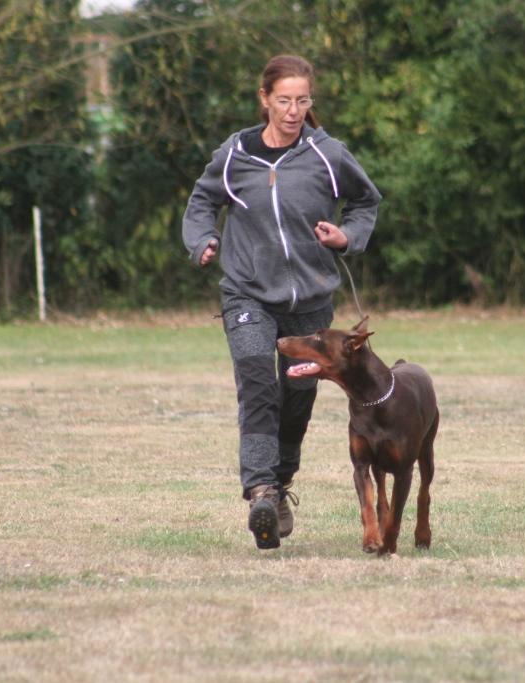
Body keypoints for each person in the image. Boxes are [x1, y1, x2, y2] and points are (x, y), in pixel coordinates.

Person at [182, 55, 381, 550]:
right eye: (285, 100)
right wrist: (203, 238)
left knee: (296, 397)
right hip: (247, 292)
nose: (294, 111)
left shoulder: (327, 154)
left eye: (302, 101)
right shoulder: (235, 154)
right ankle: (261, 492)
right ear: (265, 99)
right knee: (257, 386)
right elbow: (202, 201)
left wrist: (346, 237)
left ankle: (281, 479)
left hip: (310, 300)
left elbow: (365, 202)